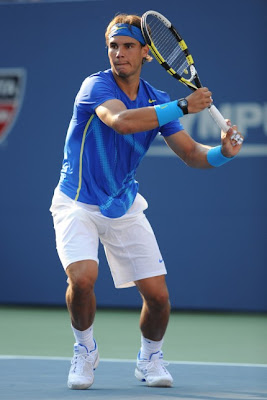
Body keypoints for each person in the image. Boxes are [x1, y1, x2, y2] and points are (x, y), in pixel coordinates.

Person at [50, 13, 243, 390]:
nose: (119, 53)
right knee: (83, 278)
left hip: (123, 205)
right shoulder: (95, 87)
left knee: (158, 298)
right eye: (113, 46)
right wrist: (185, 107)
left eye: (128, 46)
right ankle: (85, 350)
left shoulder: (159, 100)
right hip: (77, 202)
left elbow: (191, 154)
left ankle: (150, 358)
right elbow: (121, 121)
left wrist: (222, 152)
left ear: (145, 55)